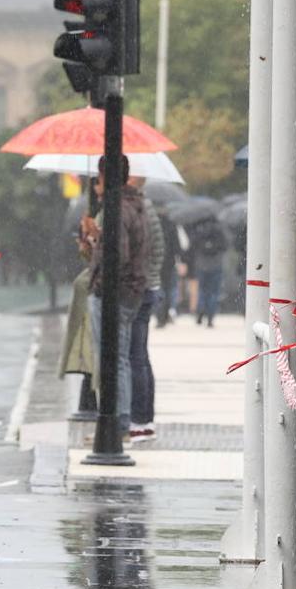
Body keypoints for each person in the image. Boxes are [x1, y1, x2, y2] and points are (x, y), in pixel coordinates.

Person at [80, 155, 149, 437]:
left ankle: (116, 423)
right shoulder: (135, 204)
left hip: (114, 294)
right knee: (119, 357)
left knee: (112, 358)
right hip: (130, 292)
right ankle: (116, 419)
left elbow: (117, 255)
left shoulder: (116, 208)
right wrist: (96, 239)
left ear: (104, 176)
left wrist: (99, 285)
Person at [129, 181, 164, 443]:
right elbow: (160, 250)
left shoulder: (137, 209)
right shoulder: (148, 208)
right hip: (149, 287)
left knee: (133, 357)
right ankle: (145, 418)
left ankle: (138, 420)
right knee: (140, 355)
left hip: (137, 290)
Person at [189, 215, 228, 327]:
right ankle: (211, 316)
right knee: (214, 292)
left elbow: (193, 245)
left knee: (202, 290)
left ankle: (201, 309)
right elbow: (225, 246)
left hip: (202, 264)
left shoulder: (199, 230)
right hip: (215, 264)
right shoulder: (219, 231)